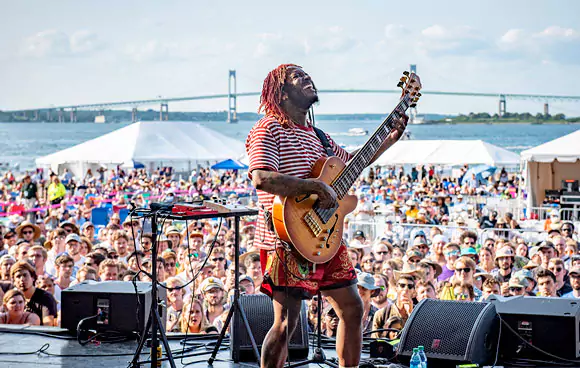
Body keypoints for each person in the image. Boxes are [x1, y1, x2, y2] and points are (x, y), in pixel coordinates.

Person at [246, 63, 409, 368]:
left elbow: (353, 164)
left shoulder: (319, 136)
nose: (308, 79)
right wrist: (315, 187)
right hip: (285, 237)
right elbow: (261, 178)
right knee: (286, 325)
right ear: (281, 93)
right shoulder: (268, 129)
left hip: (324, 234)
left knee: (353, 308)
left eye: (308, 75)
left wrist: (390, 139)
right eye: (298, 78)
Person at [11, 261, 57, 326]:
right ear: (14, 281)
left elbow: (48, 325)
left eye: (25, 275)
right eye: (18, 276)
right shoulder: (12, 298)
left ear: (32, 277)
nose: (22, 279)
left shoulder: (46, 298)